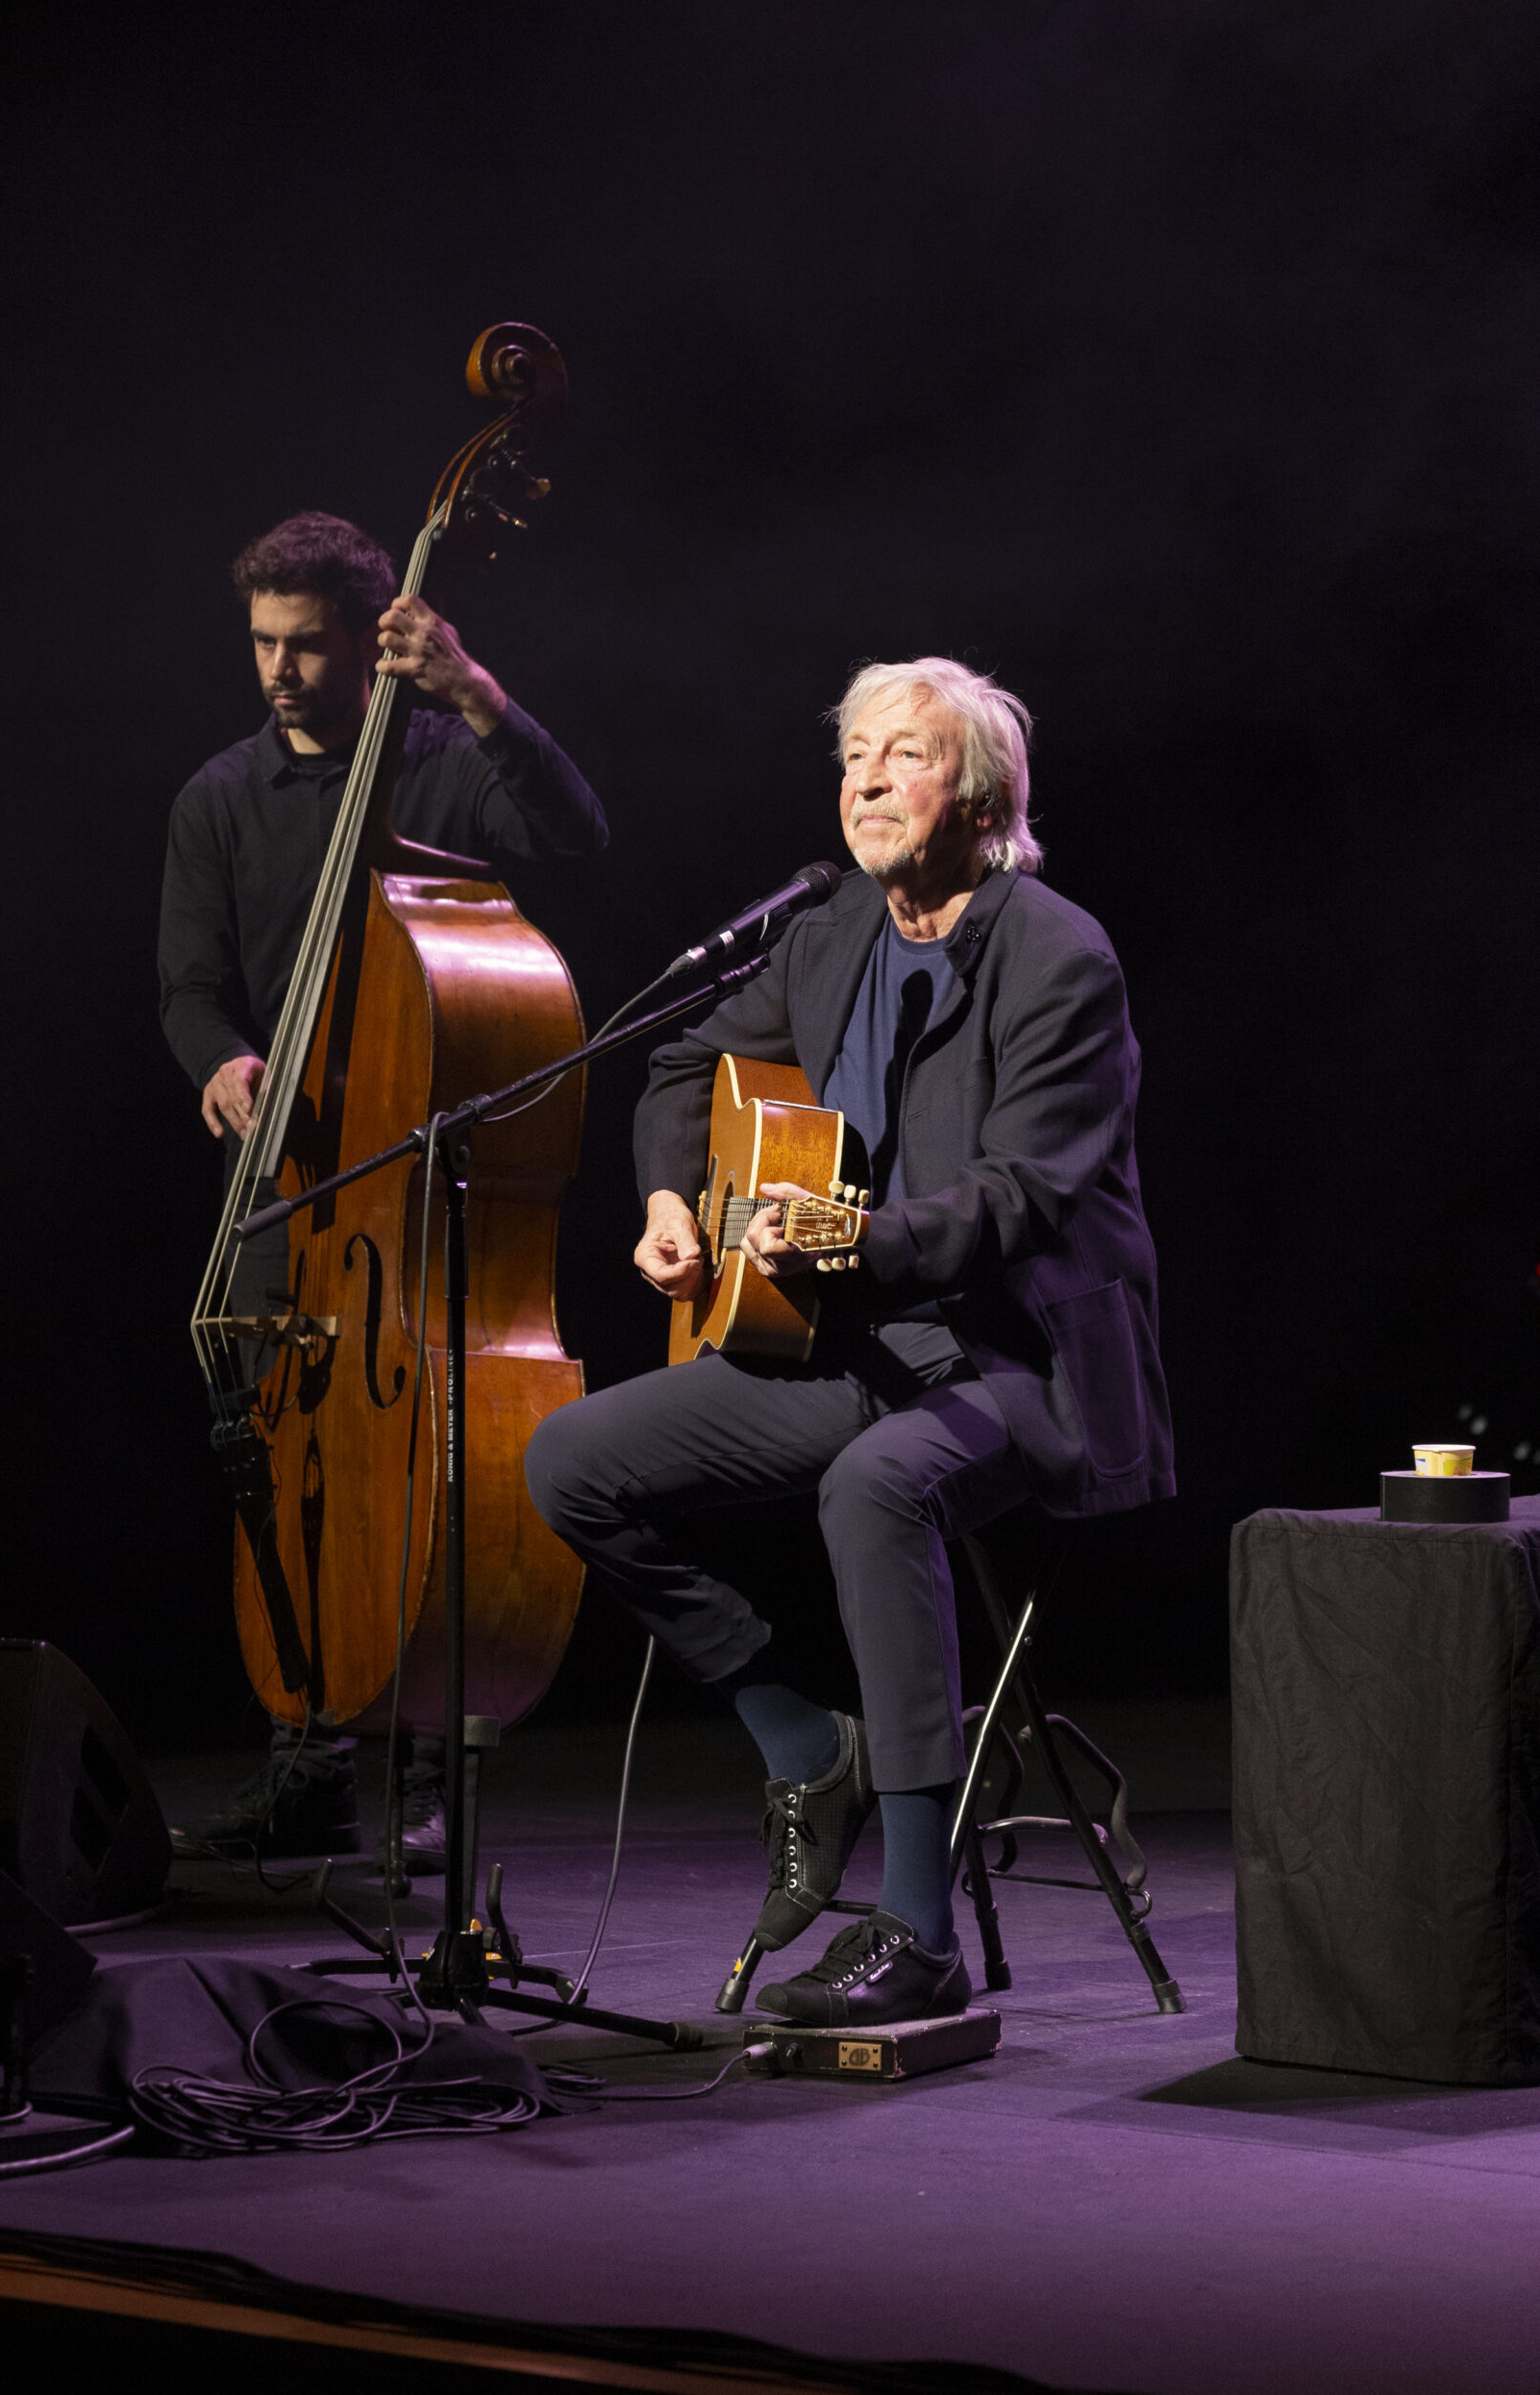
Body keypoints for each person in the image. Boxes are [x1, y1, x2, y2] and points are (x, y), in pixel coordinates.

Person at [525, 656, 1172, 2023]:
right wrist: (668, 1199)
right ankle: (802, 1741)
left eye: (906, 756)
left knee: (876, 1488)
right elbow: (684, 1064)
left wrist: (850, 1243)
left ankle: (916, 1929)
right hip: (857, 1354)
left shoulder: (1059, 954)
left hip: (1017, 1369)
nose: (867, 779)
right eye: (854, 756)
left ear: (983, 799)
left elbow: (1025, 1193)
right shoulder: (829, 936)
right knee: (572, 1460)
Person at [161, 510, 609, 1862]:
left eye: (305, 645)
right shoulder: (219, 798)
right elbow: (187, 986)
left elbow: (575, 832)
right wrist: (226, 1062)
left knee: (421, 1466)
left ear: (368, 643)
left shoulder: (435, 767)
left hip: (414, 1184)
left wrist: (473, 692)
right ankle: (306, 1755)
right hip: (285, 1178)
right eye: (261, 644)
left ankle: (423, 1762)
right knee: (280, 1461)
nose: (279, 671)